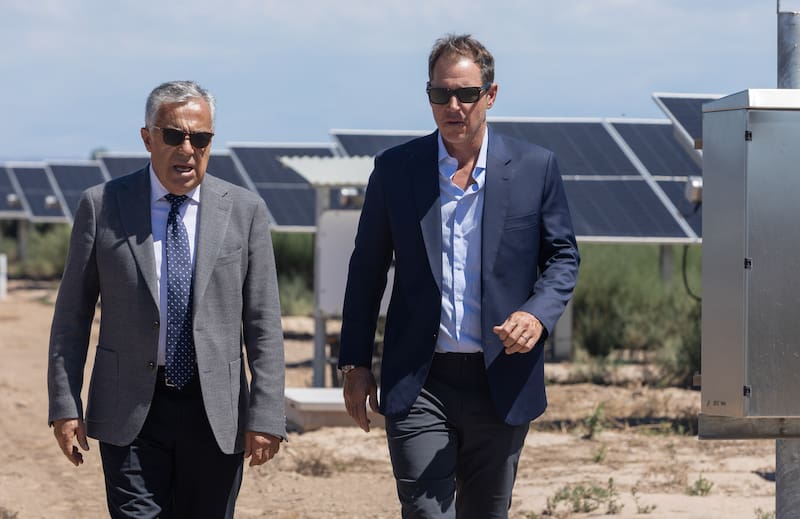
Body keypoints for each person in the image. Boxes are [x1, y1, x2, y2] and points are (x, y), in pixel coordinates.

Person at [339, 34, 580, 518]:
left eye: (466, 94)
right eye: (440, 94)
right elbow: (367, 270)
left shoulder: (535, 168)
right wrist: (355, 363)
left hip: (502, 379)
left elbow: (562, 258)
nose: (454, 106)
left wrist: (537, 315)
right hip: (420, 379)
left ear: (490, 96)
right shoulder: (395, 170)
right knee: (427, 512)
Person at [47, 80, 286, 518]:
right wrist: (65, 406)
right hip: (129, 411)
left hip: (215, 413)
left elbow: (264, 323)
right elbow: (71, 317)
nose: (188, 149)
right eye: (174, 136)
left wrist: (267, 413)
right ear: (148, 138)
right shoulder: (102, 206)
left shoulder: (245, 211)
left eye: (201, 139)